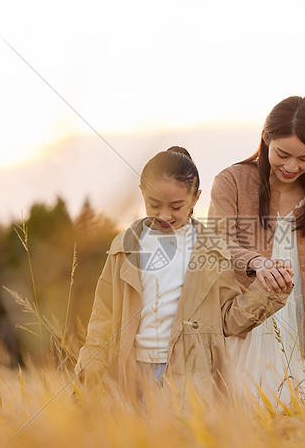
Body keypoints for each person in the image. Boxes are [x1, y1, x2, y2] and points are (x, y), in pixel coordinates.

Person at [75, 146, 291, 400]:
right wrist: (87, 374)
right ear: (141, 192)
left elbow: (226, 321)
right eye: (154, 204)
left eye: (176, 206)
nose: (164, 215)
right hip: (130, 375)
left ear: (195, 199)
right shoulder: (123, 248)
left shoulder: (213, 250)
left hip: (190, 377)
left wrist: (268, 293)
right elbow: (103, 318)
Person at [208, 96, 305, 407]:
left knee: (294, 433)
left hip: (297, 340)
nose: (291, 167)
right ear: (266, 137)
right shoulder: (232, 183)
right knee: (238, 429)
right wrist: (257, 262)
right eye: (283, 154)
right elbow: (217, 246)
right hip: (239, 334)